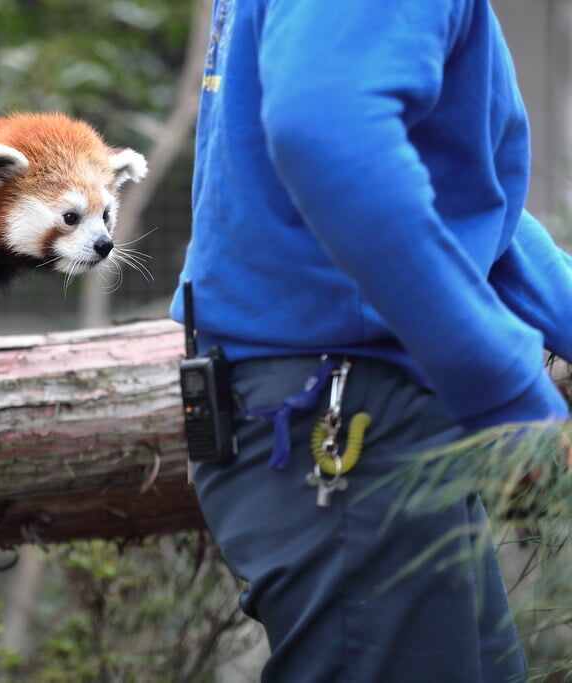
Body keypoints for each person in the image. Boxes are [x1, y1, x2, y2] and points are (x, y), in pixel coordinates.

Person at [171, 1, 572, 680]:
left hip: (356, 411)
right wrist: (509, 398)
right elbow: (333, 139)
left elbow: (448, 192)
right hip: (345, 422)